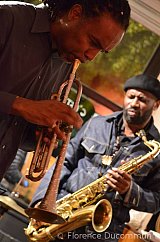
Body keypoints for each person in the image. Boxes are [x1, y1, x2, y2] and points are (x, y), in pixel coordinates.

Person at [0, 0, 131, 182]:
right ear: (75, 13)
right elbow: (23, 108)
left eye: (101, 51)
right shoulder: (7, 17)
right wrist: (22, 105)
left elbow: (17, 136)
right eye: (93, 42)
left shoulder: (68, 64)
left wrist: (39, 133)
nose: (91, 57)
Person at [31, 74, 160, 242]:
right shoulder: (96, 123)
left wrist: (129, 190)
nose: (134, 103)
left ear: (156, 105)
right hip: (61, 214)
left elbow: (156, 201)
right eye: (131, 96)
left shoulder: (156, 149)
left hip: (103, 231)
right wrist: (42, 201)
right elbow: (64, 162)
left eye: (142, 100)